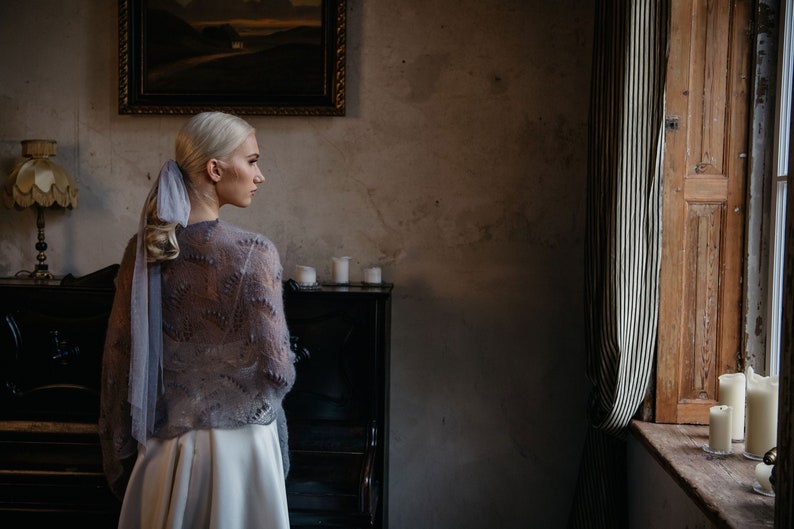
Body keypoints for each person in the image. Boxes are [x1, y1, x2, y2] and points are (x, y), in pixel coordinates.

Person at [99, 111, 296, 529]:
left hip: (166, 452)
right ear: (215, 168)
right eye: (253, 160)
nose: (259, 176)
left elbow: (119, 359)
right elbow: (277, 372)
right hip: (241, 455)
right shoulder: (254, 252)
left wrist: (119, 452)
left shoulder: (143, 249)